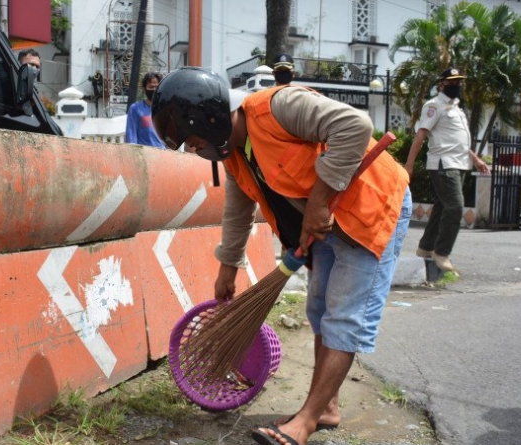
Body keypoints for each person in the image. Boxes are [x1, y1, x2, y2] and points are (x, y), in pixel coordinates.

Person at [152, 67, 411, 445]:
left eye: (190, 141)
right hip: (330, 223)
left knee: (344, 316)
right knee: (319, 309)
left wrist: (319, 201)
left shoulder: (278, 106)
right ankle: (326, 407)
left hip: (374, 208)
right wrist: (229, 266)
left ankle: (305, 422)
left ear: (207, 119)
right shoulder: (236, 156)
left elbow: (354, 126)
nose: (193, 150)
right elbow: (238, 209)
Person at [404, 67, 490, 272]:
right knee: (455, 207)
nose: (456, 86)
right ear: (441, 85)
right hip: (443, 164)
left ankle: (426, 247)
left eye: (459, 82)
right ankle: (442, 253)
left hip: (459, 163)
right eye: (452, 83)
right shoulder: (434, 106)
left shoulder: (457, 108)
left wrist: (475, 158)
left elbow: (457, 141)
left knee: (442, 206)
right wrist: (409, 165)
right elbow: (421, 135)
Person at [125, 71, 165, 147]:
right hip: (144, 155)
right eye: (150, 87)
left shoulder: (165, 109)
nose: (153, 90)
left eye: (156, 87)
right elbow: (131, 137)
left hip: (163, 155)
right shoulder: (135, 109)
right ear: (145, 88)